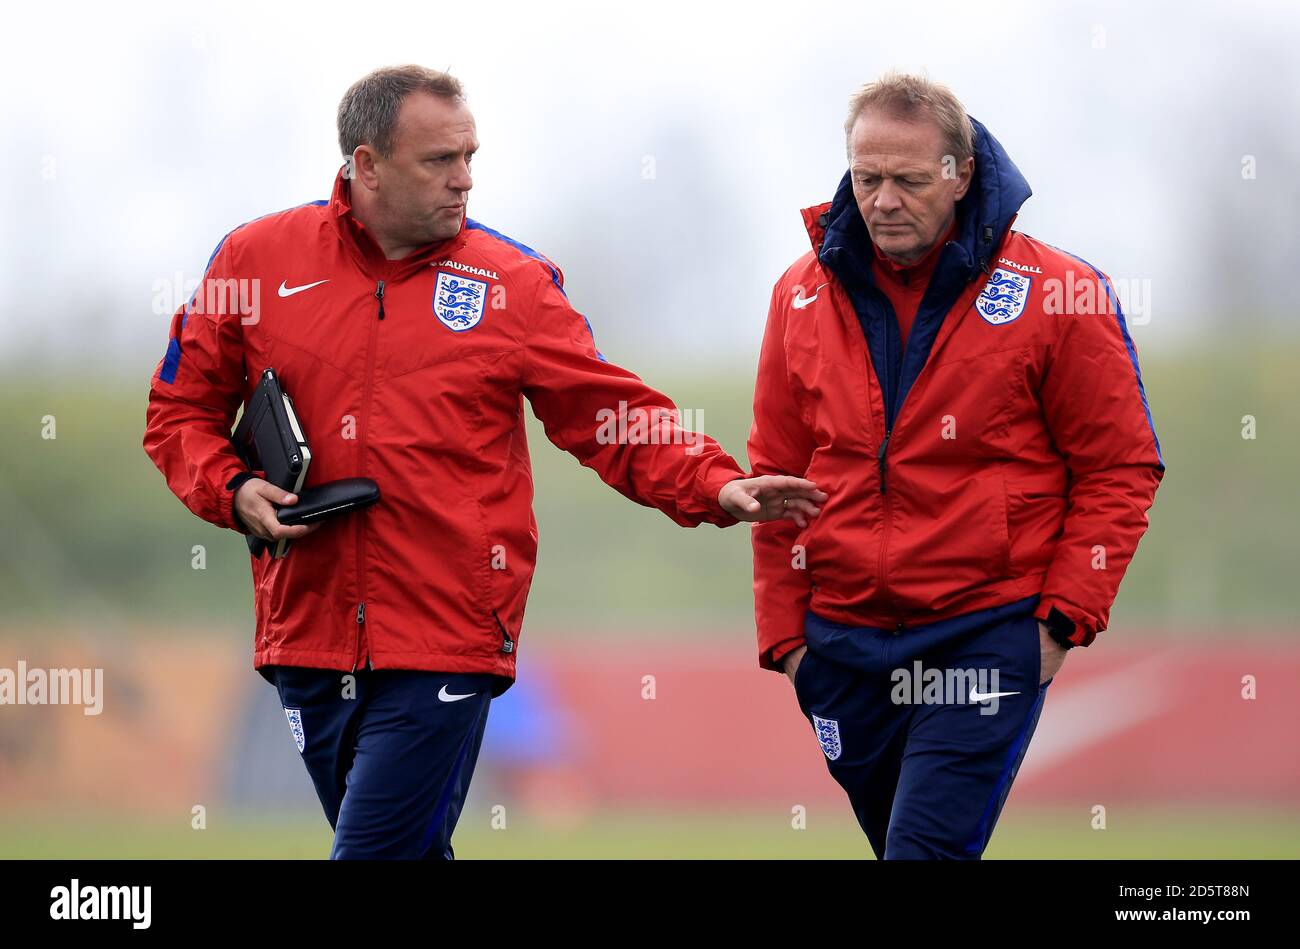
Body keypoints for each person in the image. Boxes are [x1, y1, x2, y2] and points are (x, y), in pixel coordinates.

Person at [142, 64, 825, 859]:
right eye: (440, 160)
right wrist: (231, 489)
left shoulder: (513, 284)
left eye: (470, 155)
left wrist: (715, 481)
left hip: (447, 636)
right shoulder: (253, 261)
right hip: (308, 631)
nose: (465, 179)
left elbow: (612, 417)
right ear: (365, 165)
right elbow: (178, 412)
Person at [747, 72, 1164, 859]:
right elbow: (775, 476)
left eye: (908, 179)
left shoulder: (1060, 293)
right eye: (867, 179)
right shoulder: (798, 294)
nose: (884, 201)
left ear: (960, 173)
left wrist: (1061, 622)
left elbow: (1122, 467)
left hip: (983, 637)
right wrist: (786, 642)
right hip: (839, 650)